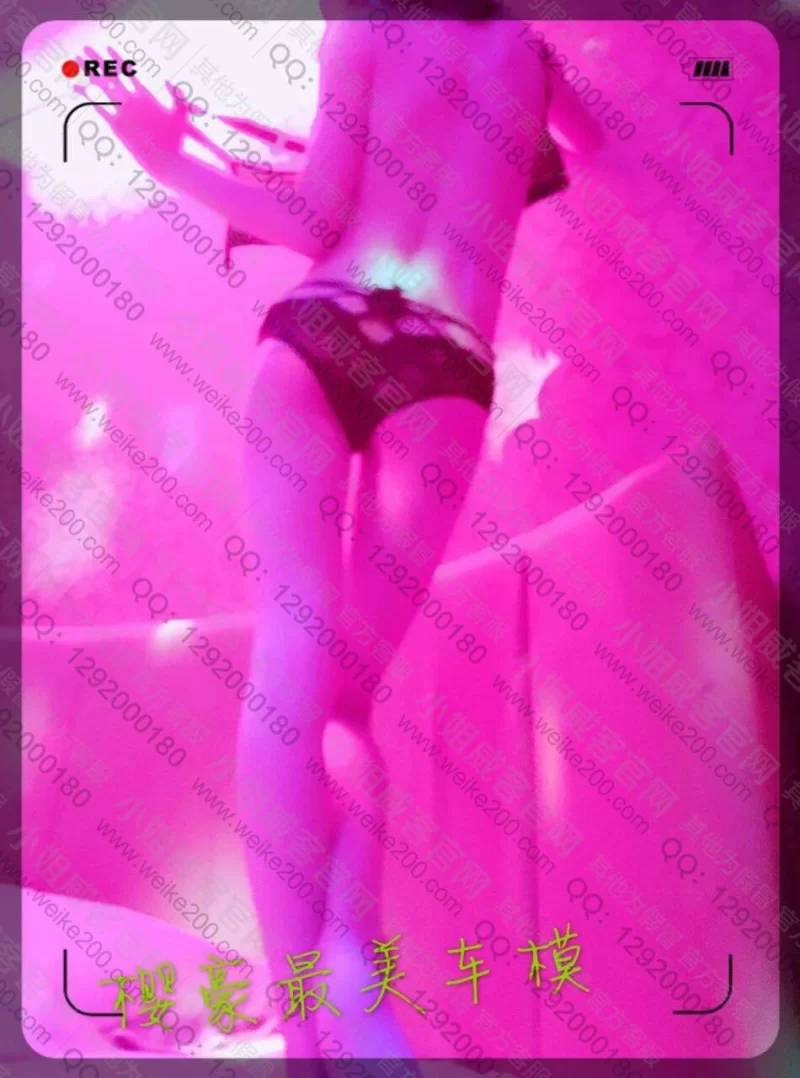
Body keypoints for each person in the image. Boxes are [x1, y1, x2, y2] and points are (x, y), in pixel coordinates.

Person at [78, 4, 601, 1060]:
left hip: (322, 326)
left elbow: (319, 217)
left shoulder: (362, 27)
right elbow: (589, 150)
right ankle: (352, 972)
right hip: (443, 356)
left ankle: (303, 1022)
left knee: (292, 662)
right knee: (346, 699)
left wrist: (172, 158)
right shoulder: (523, 53)